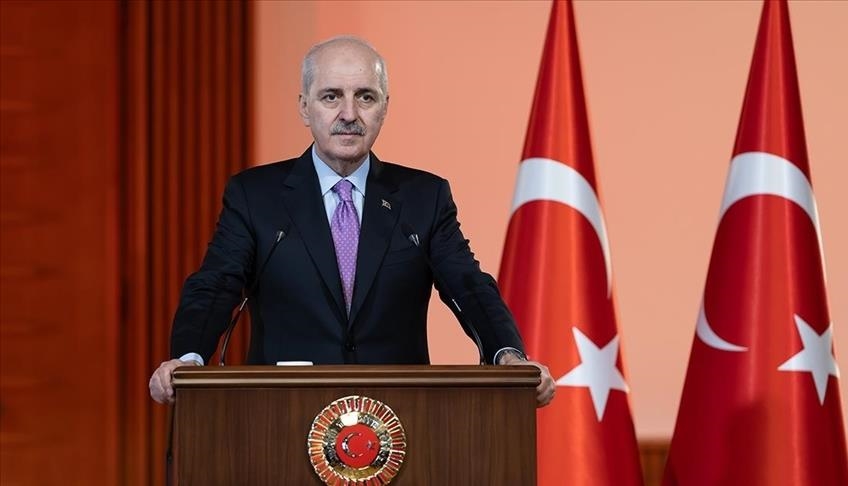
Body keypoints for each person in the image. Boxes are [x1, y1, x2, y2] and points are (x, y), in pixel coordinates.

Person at [149, 36, 555, 407]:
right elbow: (216, 284)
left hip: (400, 417)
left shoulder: (424, 197)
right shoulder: (255, 196)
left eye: (365, 97)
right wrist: (188, 358)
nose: (349, 114)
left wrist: (509, 355)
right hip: (282, 415)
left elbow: (468, 285)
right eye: (331, 96)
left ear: (385, 107)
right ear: (304, 107)